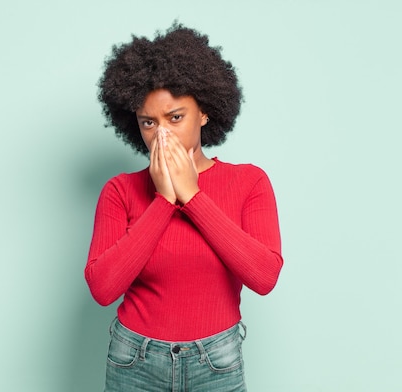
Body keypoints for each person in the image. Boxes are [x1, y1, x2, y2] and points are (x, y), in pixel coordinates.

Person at [85, 23, 283, 392]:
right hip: (134, 361)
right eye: (149, 122)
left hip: (217, 362)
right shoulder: (120, 191)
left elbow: (264, 276)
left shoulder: (249, 183)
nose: (162, 134)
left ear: (204, 113)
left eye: (176, 118)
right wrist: (163, 200)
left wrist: (192, 197)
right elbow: (103, 288)